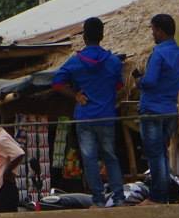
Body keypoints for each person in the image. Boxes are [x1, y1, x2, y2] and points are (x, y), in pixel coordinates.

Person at [51, 16, 126, 207]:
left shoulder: (75, 62)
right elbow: (119, 85)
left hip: (84, 118)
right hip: (107, 116)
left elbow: (57, 83)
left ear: (84, 36)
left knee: (89, 159)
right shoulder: (113, 62)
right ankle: (118, 197)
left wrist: (75, 94)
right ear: (102, 35)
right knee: (110, 156)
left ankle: (99, 200)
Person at [137, 14, 179, 205]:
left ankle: (157, 196)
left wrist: (139, 81)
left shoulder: (158, 53)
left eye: (153, 30)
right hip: (170, 108)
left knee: (155, 154)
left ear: (159, 30)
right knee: (163, 152)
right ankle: (165, 194)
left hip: (152, 108)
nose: (152, 33)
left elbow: (150, 81)